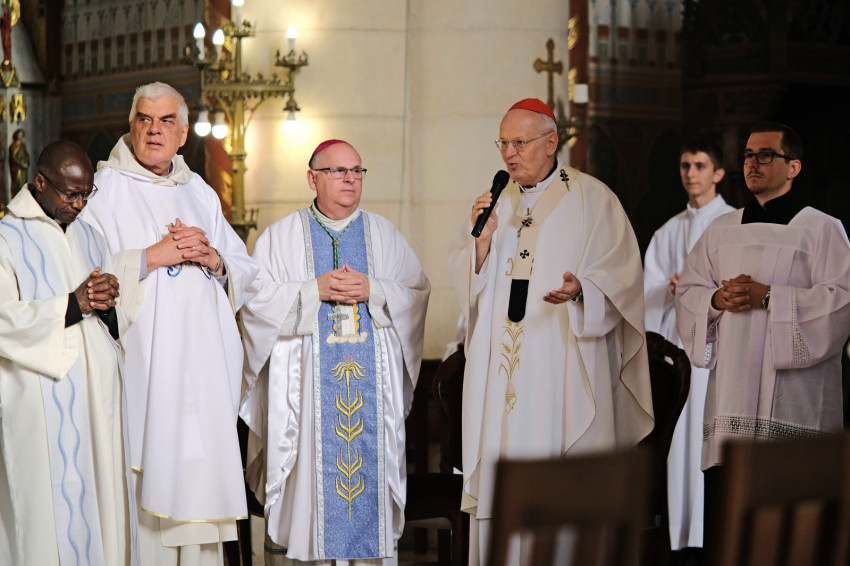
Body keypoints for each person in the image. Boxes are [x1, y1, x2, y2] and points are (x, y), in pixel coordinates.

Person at [448, 98, 654, 564]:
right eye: (503, 143)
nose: (509, 153)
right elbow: (469, 288)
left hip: (562, 361)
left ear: (551, 142)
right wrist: (480, 245)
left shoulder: (594, 199)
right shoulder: (494, 203)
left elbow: (623, 278)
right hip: (502, 372)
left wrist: (584, 290)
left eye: (520, 143)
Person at [77, 82, 259, 566]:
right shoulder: (103, 191)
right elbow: (82, 275)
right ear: (131, 127)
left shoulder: (199, 191)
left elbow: (245, 270)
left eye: (166, 121)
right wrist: (151, 256)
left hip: (204, 369)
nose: (154, 130)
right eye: (145, 119)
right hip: (147, 368)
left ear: (182, 134)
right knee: (150, 489)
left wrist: (213, 258)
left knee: (200, 477)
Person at [239, 139, 430, 565]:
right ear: (313, 179)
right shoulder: (280, 238)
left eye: (357, 171)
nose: (350, 179)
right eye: (338, 171)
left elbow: (417, 293)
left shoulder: (384, 234)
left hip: (370, 399)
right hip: (306, 402)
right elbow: (254, 304)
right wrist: (313, 291)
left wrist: (373, 289)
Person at [675, 122, 850, 553]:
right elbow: (689, 291)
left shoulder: (822, 229)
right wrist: (717, 298)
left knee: (791, 537)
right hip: (731, 399)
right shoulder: (721, 229)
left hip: (795, 399)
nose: (753, 163)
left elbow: (841, 301)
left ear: (793, 167)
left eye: (766, 155)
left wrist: (769, 296)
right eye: (749, 155)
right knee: (731, 533)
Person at [0, 141, 143, 566]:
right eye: (71, 194)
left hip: (99, 403)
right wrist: (72, 304)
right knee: (47, 517)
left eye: (86, 194)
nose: (80, 205)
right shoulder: (7, 239)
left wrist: (108, 303)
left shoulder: (90, 236)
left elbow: (111, 322)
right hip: (42, 400)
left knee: (104, 503)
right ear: (40, 182)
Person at [643, 139, 734, 559]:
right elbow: (646, 293)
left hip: (723, 353)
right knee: (682, 441)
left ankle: (716, 535)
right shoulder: (667, 231)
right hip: (683, 352)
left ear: (718, 173)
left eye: (699, 165)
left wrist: (703, 290)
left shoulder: (735, 224)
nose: (691, 173)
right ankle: (683, 537)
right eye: (685, 165)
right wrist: (670, 290)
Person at [8, 128, 29, 198]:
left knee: (23, 185)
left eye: (22, 135)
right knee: (18, 185)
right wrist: (21, 163)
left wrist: (26, 162)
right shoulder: (13, 146)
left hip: (23, 170)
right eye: (19, 134)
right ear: (16, 135)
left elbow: (26, 155)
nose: (20, 136)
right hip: (17, 169)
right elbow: (13, 158)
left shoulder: (23, 145)